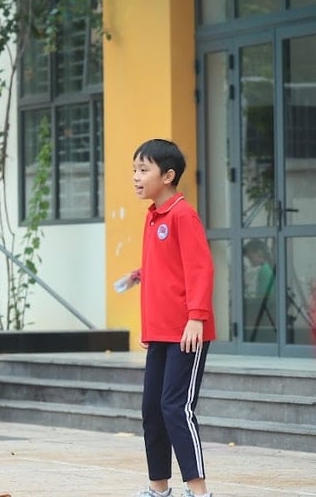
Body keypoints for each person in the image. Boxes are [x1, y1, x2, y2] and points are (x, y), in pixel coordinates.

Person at [118, 139, 215, 497]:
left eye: (144, 170)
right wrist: (140, 275)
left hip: (187, 331)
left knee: (177, 407)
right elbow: (167, 269)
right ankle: (158, 488)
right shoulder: (153, 216)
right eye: (134, 170)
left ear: (168, 176)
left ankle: (199, 491)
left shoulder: (182, 214)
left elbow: (201, 268)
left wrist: (197, 317)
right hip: (160, 332)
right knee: (152, 410)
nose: (136, 177)